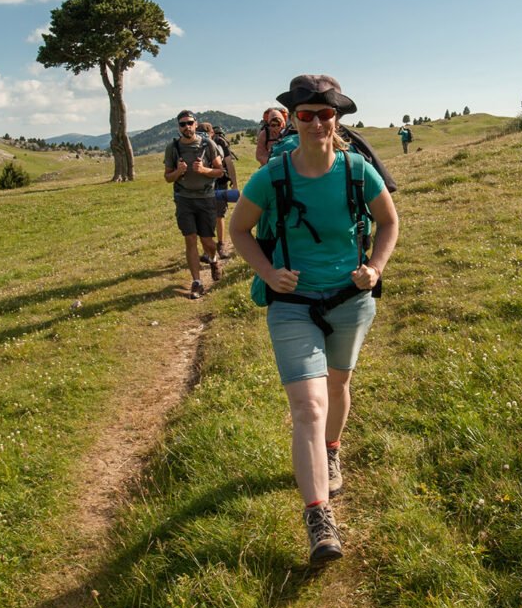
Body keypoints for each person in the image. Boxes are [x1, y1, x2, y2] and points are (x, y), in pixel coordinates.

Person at [230, 75, 399, 565]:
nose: (317, 122)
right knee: (307, 404)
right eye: (306, 114)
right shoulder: (272, 176)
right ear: (294, 118)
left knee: (339, 384)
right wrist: (268, 272)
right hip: (293, 304)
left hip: (350, 298)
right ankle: (319, 518)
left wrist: (376, 267)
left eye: (326, 114)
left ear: (337, 119)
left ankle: (331, 449)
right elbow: (239, 229)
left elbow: (389, 221)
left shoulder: (357, 171)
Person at [164, 110, 226, 299]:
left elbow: (219, 171)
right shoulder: (173, 148)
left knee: (207, 241)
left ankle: (213, 260)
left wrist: (204, 169)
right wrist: (178, 172)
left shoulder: (208, 144)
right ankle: (197, 282)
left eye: (189, 123)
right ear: (178, 127)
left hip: (206, 198)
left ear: (195, 124)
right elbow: (168, 177)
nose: (187, 127)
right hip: (184, 199)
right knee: (190, 238)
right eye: (182, 124)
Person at [199, 122, 238, 259]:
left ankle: (220, 245)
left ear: (212, 134)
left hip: (219, 184)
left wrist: (234, 183)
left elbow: (229, 163)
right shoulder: (198, 144)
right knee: (208, 217)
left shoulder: (219, 142)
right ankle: (210, 249)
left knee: (218, 215)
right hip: (205, 185)